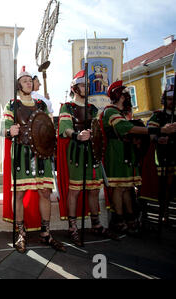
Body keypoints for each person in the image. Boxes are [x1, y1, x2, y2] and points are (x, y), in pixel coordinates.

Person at [1, 66, 65, 253]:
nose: (29, 82)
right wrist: (9, 130)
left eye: (30, 80)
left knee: (45, 192)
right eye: (25, 80)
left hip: (41, 155)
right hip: (21, 153)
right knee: (19, 193)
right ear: (18, 85)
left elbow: (48, 128)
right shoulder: (12, 104)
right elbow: (5, 126)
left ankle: (46, 233)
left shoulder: (41, 104)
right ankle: (21, 232)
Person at [101, 80, 176, 234]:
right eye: (125, 94)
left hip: (126, 153)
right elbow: (125, 128)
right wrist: (159, 131)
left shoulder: (120, 113)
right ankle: (119, 220)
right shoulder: (110, 111)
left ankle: (131, 219)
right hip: (116, 153)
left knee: (127, 187)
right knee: (119, 188)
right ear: (119, 95)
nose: (128, 97)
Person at [57, 70, 118, 246]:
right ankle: (72, 226)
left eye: (86, 85)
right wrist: (77, 134)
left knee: (93, 189)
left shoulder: (92, 108)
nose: (85, 88)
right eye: (82, 85)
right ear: (75, 87)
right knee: (74, 190)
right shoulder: (67, 107)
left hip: (93, 152)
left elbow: (98, 130)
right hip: (77, 151)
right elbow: (65, 127)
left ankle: (96, 224)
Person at [146, 84, 175, 226]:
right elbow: (150, 133)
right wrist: (159, 138)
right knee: (165, 186)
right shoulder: (158, 115)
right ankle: (164, 211)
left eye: (173, 99)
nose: (171, 101)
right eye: (169, 99)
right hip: (164, 154)